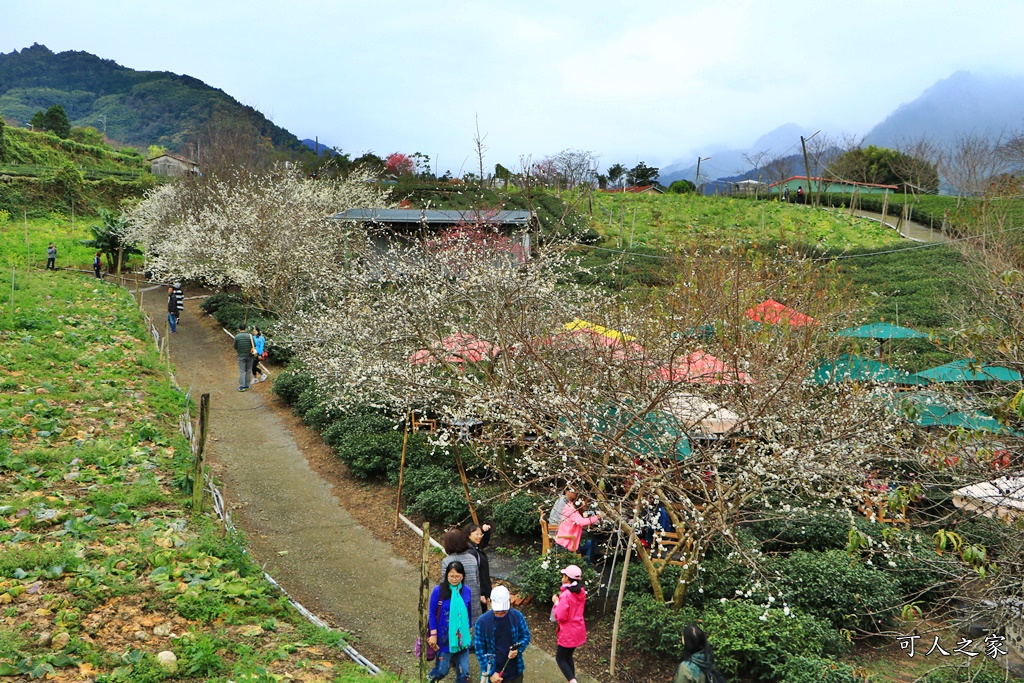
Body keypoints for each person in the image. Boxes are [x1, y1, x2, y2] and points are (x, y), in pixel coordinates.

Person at [427, 561, 474, 683]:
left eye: (457, 576)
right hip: (444, 638)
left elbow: (468, 610)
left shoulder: (467, 590)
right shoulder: (439, 591)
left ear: (462, 576)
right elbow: (432, 614)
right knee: (442, 670)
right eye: (451, 576)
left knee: (464, 673)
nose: (454, 579)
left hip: (462, 638)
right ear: (446, 575)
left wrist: (470, 626)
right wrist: (433, 634)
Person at [474, 586, 531, 683]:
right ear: (490, 602)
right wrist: (491, 673)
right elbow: (480, 651)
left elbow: (526, 636)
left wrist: (518, 649)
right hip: (494, 673)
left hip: (515, 672)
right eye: (497, 612)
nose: (500, 615)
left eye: (503, 612)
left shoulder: (517, 616)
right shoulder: (482, 622)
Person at [551, 564, 587, 683]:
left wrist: (556, 602)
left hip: (568, 632)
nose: (562, 577)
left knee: (560, 658)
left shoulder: (566, 595)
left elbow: (561, 616)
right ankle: (572, 679)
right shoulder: (581, 592)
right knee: (568, 656)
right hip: (578, 630)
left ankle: (572, 680)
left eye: (564, 575)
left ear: (567, 578)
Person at [441, 528, 481, 620]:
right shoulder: (472, 559)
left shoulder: (447, 561)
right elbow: (477, 582)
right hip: (473, 601)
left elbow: (445, 585)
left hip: (455, 603)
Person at [554, 495, 601, 562]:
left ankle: (586, 564)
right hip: (567, 543)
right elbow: (582, 522)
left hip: (564, 540)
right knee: (591, 544)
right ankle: (587, 566)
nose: (587, 505)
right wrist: (597, 517)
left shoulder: (569, 507)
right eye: (586, 503)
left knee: (591, 543)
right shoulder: (573, 512)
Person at [463, 522, 492, 613]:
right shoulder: (471, 552)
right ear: (468, 535)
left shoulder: (475, 548)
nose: (480, 536)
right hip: (478, 594)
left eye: (481, 534)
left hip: (480, 593)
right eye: (476, 534)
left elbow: (484, 543)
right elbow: (473, 575)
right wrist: (480, 593)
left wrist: (486, 531)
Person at [232, 323, 255, 391]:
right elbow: (254, 345)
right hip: (250, 355)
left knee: (241, 370)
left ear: (239, 329)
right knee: (248, 370)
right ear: (245, 329)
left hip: (241, 356)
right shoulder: (249, 336)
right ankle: (247, 385)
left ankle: (242, 386)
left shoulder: (237, 337)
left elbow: (235, 346)